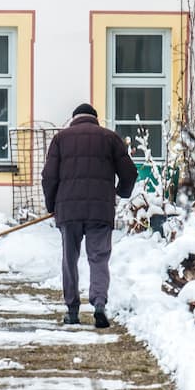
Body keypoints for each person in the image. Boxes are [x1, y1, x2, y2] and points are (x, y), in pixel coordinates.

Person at [42, 103, 138, 328]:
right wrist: (119, 193)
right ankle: (99, 305)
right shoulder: (110, 138)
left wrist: (52, 205)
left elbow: (48, 176)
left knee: (70, 259)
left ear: (73, 118)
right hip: (100, 210)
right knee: (99, 258)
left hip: (69, 211)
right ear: (95, 119)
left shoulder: (61, 139)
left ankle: (72, 310)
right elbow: (130, 172)